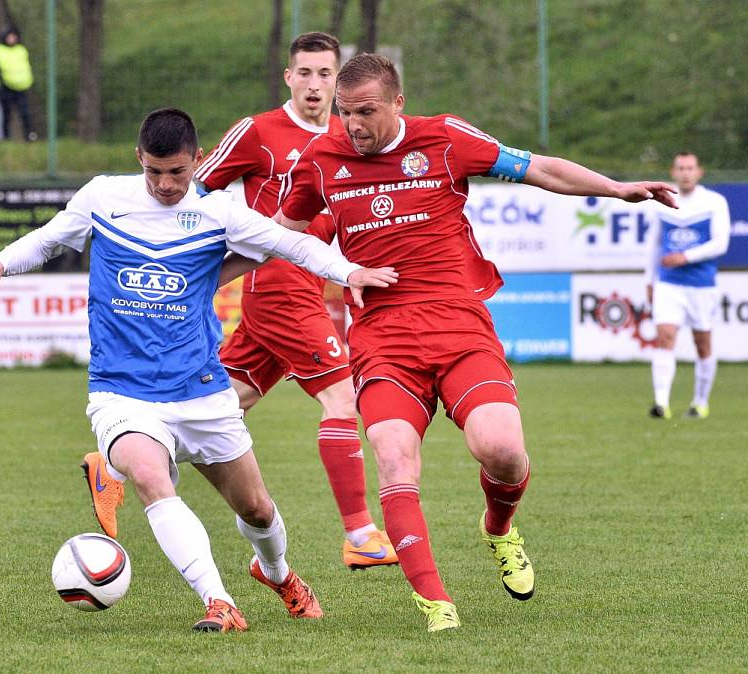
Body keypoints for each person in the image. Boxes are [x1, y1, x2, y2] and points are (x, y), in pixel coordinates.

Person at [271, 53, 677, 632]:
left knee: (504, 451)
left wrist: (616, 189)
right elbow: (281, 236)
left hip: (459, 328)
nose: (353, 124)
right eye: (344, 112)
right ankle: (437, 604)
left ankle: (498, 528)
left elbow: (542, 169)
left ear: (398, 103)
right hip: (383, 339)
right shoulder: (321, 159)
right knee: (392, 455)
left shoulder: (444, 139)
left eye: (366, 112)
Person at [0, 108, 397, 633]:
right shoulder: (102, 198)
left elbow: (292, 243)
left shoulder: (220, 211)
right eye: (155, 172)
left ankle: (277, 574)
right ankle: (218, 601)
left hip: (201, 390)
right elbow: (48, 238)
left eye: (178, 173)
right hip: (122, 392)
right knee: (150, 476)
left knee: (256, 510)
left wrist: (350, 272)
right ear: (139, 159)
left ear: (199, 160)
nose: (166, 185)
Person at [192, 32, 397, 570]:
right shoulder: (258, 131)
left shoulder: (345, 136)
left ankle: (118, 464)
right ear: (289, 77)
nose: (313, 84)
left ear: (338, 80)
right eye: (304, 73)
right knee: (343, 400)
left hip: (304, 284)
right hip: (277, 284)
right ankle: (359, 534)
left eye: (324, 74)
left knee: (219, 407)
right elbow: (195, 189)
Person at [645, 152, 731, 420]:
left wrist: (686, 257)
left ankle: (700, 402)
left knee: (702, 343)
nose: (685, 173)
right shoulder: (662, 203)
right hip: (669, 284)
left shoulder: (714, 202)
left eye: (690, 168)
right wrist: (649, 280)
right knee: (665, 337)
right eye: (681, 168)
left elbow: (721, 243)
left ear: (699, 171)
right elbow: (653, 245)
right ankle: (661, 403)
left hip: (702, 285)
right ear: (673, 172)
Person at [0, 29, 36, 141]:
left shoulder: (21, 50)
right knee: (7, 114)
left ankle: (29, 136)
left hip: (21, 87)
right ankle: (6, 137)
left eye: (13, 36)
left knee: (25, 112)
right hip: (5, 87)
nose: (11, 39)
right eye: (9, 37)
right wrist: (3, 79)